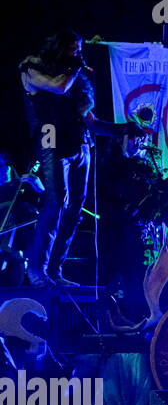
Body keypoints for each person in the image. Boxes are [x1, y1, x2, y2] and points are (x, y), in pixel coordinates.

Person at [19, 30, 127, 288]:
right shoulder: (32, 68)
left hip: (80, 145)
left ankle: (54, 270)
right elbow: (58, 86)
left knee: (75, 210)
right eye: (72, 49)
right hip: (50, 139)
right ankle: (36, 269)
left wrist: (122, 129)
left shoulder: (75, 78)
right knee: (56, 203)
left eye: (79, 49)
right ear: (57, 48)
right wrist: (76, 68)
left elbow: (91, 122)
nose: (78, 54)